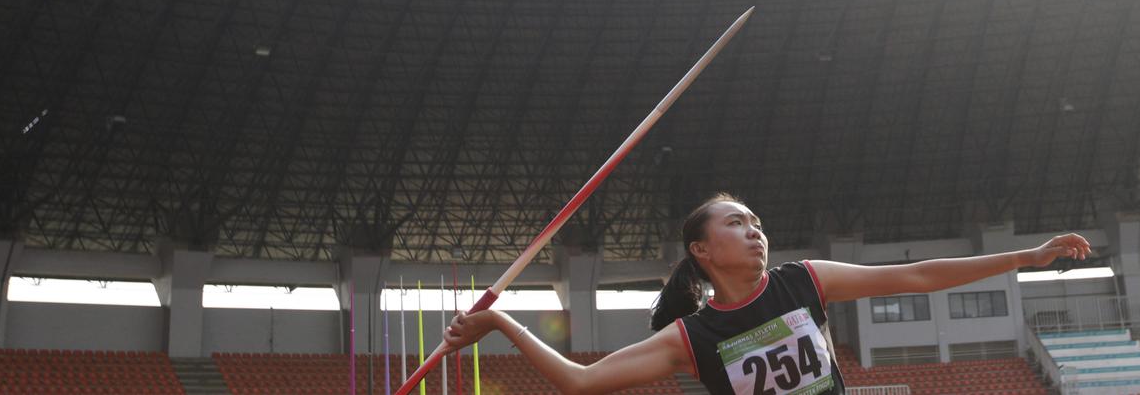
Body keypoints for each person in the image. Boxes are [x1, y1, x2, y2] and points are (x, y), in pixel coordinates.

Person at [443, 192, 1092, 395]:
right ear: (701, 251)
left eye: (755, 223)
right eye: (735, 224)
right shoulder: (690, 339)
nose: (754, 232)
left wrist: (1026, 257)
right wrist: (504, 325)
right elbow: (580, 384)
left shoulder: (805, 281)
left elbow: (919, 275)